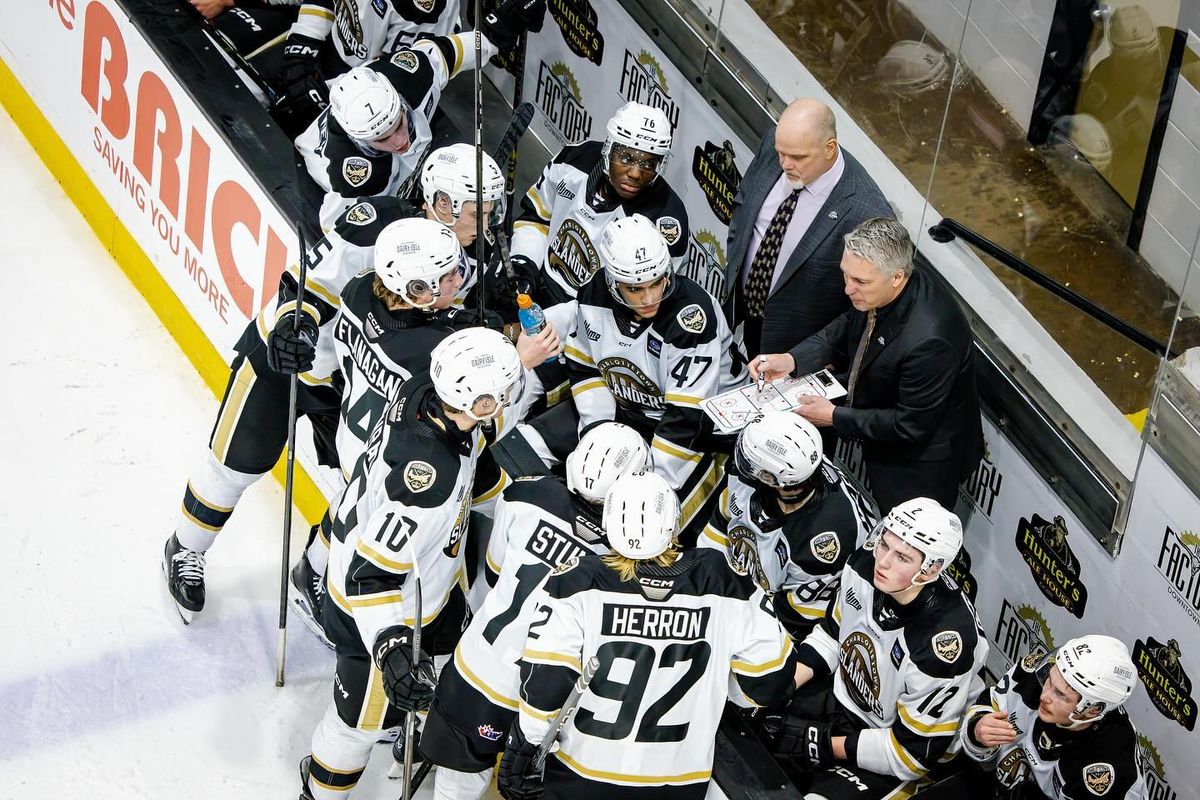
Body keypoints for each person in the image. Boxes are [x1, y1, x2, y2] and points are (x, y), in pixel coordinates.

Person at [160, 145, 513, 625]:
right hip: (290, 360)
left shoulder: (480, 258)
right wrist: (296, 327)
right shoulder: (377, 225)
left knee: (361, 485)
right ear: (444, 203)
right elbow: (309, 286)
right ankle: (186, 546)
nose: (486, 221)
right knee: (236, 463)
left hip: (357, 381)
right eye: (479, 210)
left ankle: (312, 573)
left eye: (492, 210)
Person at [298, 327, 526, 800]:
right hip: (381, 612)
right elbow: (372, 577)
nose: (503, 403)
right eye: (496, 397)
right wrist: (392, 650)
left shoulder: (422, 389)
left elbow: (474, 457)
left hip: (430, 591)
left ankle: (409, 726)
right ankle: (318, 793)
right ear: (472, 401)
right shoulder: (427, 482)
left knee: (434, 679)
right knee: (357, 725)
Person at [497, 471, 798, 800]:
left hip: (583, 774)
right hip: (679, 782)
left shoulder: (576, 580)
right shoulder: (724, 581)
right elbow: (771, 682)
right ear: (673, 522)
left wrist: (526, 743)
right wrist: (724, 686)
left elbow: (546, 686)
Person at [420, 422, 649, 800]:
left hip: (479, 668)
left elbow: (494, 572)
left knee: (457, 783)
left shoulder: (524, 494)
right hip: (548, 698)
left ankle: (414, 748)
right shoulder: (626, 558)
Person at [750, 217, 982, 514]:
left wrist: (834, 416)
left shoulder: (931, 340)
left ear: (897, 277)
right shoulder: (882, 285)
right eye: (846, 275)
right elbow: (849, 324)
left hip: (917, 465)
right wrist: (792, 360)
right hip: (877, 424)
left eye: (859, 281)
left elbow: (909, 425)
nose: (848, 289)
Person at [769, 497, 987, 800]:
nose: (882, 562)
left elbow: (910, 756)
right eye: (884, 545)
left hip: (897, 750)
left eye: (902, 557)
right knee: (747, 712)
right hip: (844, 703)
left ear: (928, 570)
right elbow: (833, 636)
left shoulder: (943, 643)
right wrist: (785, 683)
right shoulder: (865, 565)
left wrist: (824, 743)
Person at [563, 214, 740, 540]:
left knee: (652, 529)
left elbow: (688, 415)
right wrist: (597, 435)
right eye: (635, 289)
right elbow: (585, 366)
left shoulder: (691, 318)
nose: (649, 298)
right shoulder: (593, 294)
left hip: (706, 433)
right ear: (613, 282)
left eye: (657, 282)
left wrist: (652, 482)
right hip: (630, 414)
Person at [294, 19, 540, 230]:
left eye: (398, 124)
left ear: (400, 102)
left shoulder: (411, 75)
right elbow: (341, 233)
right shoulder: (356, 177)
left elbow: (442, 53)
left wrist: (494, 35)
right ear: (359, 141)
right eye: (383, 138)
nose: (401, 141)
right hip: (320, 191)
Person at [724, 98, 892, 357]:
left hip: (791, 347)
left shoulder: (866, 212)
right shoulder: (777, 143)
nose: (785, 164)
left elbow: (859, 308)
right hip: (738, 307)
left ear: (829, 148)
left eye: (798, 157)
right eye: (782, 153)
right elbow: (744, 202)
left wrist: (806, 356)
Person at [699, 411, 875, 638]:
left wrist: (730, 630)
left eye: (749, 459)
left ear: (771, 478)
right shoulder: (783, 472)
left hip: (778, 625)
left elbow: (794, 619)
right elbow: (721, 524)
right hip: (740, 593)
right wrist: (703, 588)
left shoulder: (826, 539)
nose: (740, 460)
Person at [269, 0, 544, 137]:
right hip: (327, 56)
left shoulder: (424, 9)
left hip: (372, 103)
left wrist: (323, 91)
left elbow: (399, 79)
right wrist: (301, 52)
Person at [510, 101, 690, 308]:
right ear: (609, 150)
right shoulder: (574, 160)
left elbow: (646, 303)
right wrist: (523, 265)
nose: (635, 174)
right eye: (626, 158)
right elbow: (537, 219)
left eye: (649, 164)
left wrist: (564, 321)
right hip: (539, 281)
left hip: (592, 321)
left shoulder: (665, 220)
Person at [961, 635, 1146, 799]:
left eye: (1060, 694)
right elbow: (989, 702)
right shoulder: (1036, 674)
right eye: (1049, 678)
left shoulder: (1105, 769)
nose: (1044, 695)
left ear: (1092, 710)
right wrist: (977, 730)